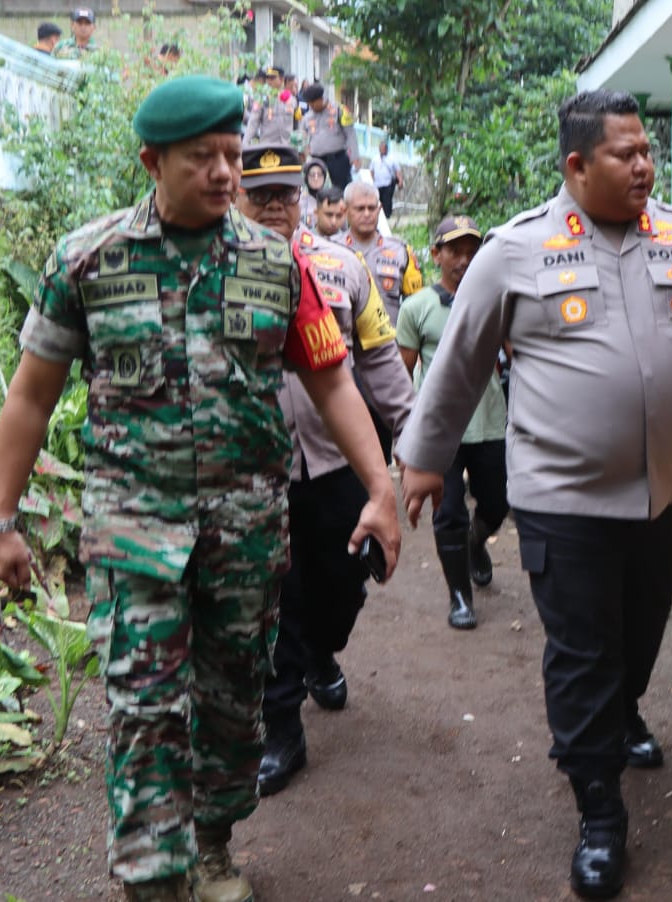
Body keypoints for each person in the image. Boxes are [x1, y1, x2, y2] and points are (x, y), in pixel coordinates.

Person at [0, 76, 402, 902]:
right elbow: (30, 394)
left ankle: (211, 846)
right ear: (152, 160)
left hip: (244, 532)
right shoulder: (89, 259)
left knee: (232, 705)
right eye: (202, 158)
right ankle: (152, 877)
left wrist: (378, 488)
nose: (223, 174)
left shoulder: (275, 264)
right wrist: (0, 519)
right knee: (144, 707)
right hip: (132, 529)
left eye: (232, 157)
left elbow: (332, 381)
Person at [398, 90, 672, 900]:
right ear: (576, 166)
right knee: (584, 653)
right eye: (625, 154)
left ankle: (622, 717)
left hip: (665, 495)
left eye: (647, 150)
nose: (645, 165)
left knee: (642, 631)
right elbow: (458, 366)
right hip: (563, 500)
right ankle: (598, 811)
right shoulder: (513, 252)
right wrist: (424, 457)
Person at [230, 143, 416, 797]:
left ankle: (321, 650)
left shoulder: (341, 270)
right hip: (259, 473)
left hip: (334, 464)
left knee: (342, 586)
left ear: (303, 200)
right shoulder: (215, 272)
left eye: (286, 194)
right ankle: (282, 730)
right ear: (237, 199)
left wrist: (414, 441)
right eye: (262, 197)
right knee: (273, 603)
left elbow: (379, 360)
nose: (276, 207)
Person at [395, 216, 507, 630]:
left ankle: (477, 542)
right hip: (440, 426)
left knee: (498, 501)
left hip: (490, 418)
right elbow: (401, 375)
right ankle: (459, 596)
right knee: (449, 511)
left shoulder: (495, 300)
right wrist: (406, 437)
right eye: (454, 250)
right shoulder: (417, 307)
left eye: (470, 250)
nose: (463, 259)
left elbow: (519, 354)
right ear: (435, 254)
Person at [337, 181, 422, 324]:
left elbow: (417, 305)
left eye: (371, 208)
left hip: (388, 342)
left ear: (379, 209)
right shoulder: (330, 249)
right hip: (341, 342)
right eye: (360, 209)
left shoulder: (401, 252)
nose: (367, 214)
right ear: (345, 210)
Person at [299, 83, 357, 190]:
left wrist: (355, 156)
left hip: (338, 160)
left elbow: (350, 133)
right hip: (317, 161)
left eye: (313, 103)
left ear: (321, 99)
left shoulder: (339, 111)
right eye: (309, 104)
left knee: (342, 190)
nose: (311, 106)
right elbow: (302, 138)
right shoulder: (307, 117)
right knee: (316, 191)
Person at [244, 66, 299, 146]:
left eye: (272, 78)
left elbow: (297, 124)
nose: (269, 81)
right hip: (267, 146)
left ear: (281, 79)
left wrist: (299, 145)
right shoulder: (261, 99)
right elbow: (253, 122)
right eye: (267, 78)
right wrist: (245, 143)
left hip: (286, 146)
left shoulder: (292, 100)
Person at [370, 139, 401, 218]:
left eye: (383, 148)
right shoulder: (375, 159)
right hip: (378, 184)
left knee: (387, 200)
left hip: (388, 184)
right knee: (379, 201)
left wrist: (400, 180)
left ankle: (387, 215)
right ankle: (379, 216)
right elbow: (371, 171)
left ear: (386, 149)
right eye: (380, 148)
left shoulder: (392, 158)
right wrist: (371, 181)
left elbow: (397, 171)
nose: (382, 150)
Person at [298, 158, 329, 231]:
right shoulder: (299, 200)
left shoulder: (332, 199)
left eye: (320, 174)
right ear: (306, 177)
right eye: (312, 174)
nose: (316, 178)